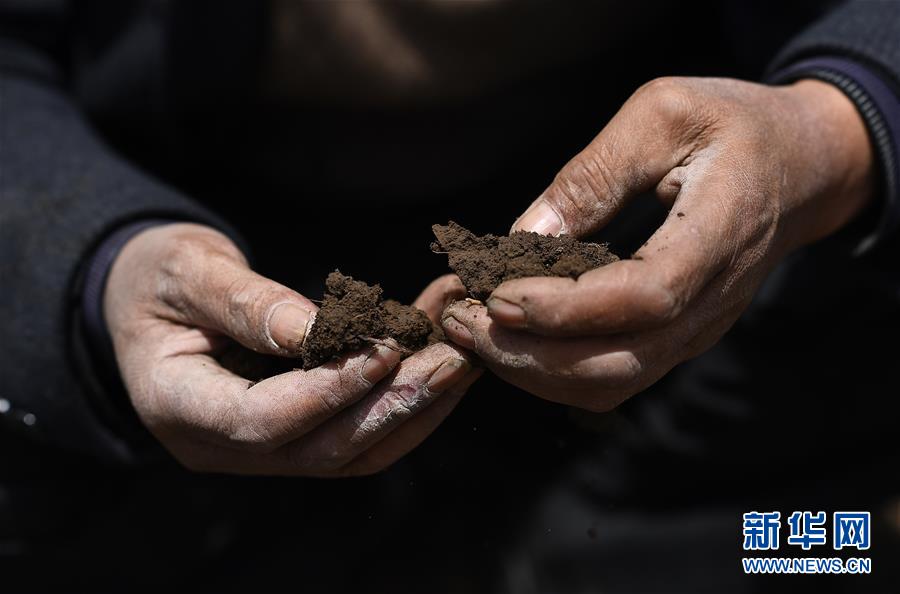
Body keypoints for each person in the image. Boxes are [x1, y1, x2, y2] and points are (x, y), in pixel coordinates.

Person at [2, 1, 898, 591]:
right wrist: (99, 261)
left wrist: (845, 122)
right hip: (197, 223)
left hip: (749, 289)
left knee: (809, 547)